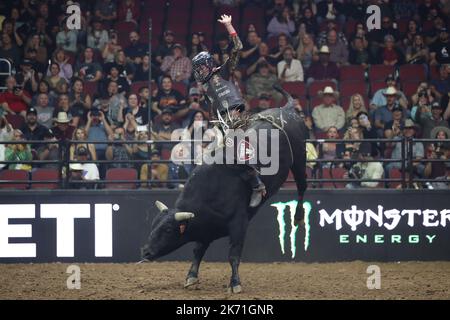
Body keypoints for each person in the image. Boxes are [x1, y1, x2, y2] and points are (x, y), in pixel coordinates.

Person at [191, 14, 266, 207]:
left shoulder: (222, 72)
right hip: (222, 123)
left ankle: (258, 186)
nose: (198, 72)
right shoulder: (205, 88)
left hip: (235, 115)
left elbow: (238, 48)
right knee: (213, 158)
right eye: (196, 69)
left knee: (237, 151)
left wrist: (229, 26)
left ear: (208, 65)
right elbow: (212, 111)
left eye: (200, 68)